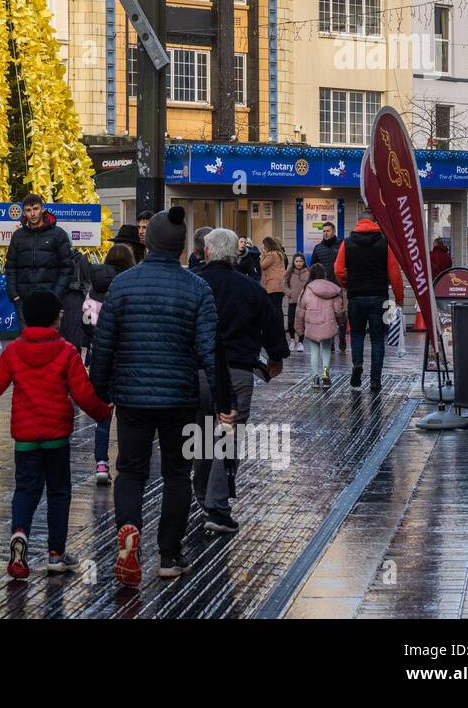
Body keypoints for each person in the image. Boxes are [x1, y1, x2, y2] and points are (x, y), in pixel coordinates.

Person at [89, 207, 221, 585]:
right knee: (177, 474)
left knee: (130, 470)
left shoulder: (123, 285)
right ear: (182, 247)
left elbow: (104, 344)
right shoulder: (198, 288)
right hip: (180, 398)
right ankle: (168, 554)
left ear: (147, 242)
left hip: (131, 396)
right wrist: (224, 402)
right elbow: (210, 351)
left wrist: (99, 391)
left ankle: (129, 530)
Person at [0, 290, 111, 579]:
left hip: (25, 439)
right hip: (56, 438)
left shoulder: (15, 350)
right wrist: (104, 413)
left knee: (25, 490)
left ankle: (19, 534)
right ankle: (56, 553)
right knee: (58, 492)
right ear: (55, 320)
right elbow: (83, 394)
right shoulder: (66, 351)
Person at [193, 228, 287, 534]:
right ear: (237, 254)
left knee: (200, 434)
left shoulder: (193, 283)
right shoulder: (248, 287)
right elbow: (272, 323)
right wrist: (276, 357)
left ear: (206, 252)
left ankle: (202, 495)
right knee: (227, 437)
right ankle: (217, 507)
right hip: (236, 373)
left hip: (196, 372)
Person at [334, 210, 404, 393]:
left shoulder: (347, 243)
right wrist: (399, 298)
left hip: (356, 297)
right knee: (377, 339)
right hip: (379, 297)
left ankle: (357, 364)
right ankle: (375, 380)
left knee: (357, 334)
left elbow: (338, 269)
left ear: (358, 223)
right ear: (375, 223)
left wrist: (347, 283)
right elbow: (394, 273)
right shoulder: (384, 243)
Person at [87, 245, 135, 485]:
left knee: (103, 413)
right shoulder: (130, 285)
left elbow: (86, 320)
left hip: (101, 355)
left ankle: (101, 463)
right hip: (127, 357)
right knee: (127, 415)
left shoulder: (95, 289)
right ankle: (125, 461)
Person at [4, 193, 74, 324]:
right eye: (28, 210)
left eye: (35, 209)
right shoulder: (18, 236)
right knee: (27, 341)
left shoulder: (58, 234)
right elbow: (10, 267)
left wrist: (56, 295)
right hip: (24, 300)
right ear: (24, 213)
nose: (32, 214)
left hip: (50, 299)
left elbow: (67, 268)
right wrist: (14, 295)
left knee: (49, 340)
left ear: (42, 209)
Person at [295, 262, 342, 389]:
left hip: (312, 326)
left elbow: (300, 312)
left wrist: (299, 330)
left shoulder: (306, 289)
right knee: (326, 349)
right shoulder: (332, 289)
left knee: (314, 352)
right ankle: (326, 373)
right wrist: (339, 321)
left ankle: (315, 378)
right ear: (324, 274)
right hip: (328, 325)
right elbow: (338, 310)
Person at [58, 249, 94, 351]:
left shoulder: (59, 259)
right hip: (75, 299)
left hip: (70, 299)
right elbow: (88, 282)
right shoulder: (81, 259)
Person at [284, 253, 310, 351]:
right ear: (294, 262)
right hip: (292, 301)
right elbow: (284, 285)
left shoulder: (308, 272)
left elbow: (310, 285)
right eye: (296, 261)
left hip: (303, 302)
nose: (298, 263)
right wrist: (289, 293)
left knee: (301, 323)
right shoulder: (289, 273)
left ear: (303, 262)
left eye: (300, 261)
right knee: (291, 322)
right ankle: (291, 339)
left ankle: (300, 342)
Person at [259, 236, 286, 309]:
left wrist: (262, 256)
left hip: (272, 285)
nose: (262, 246)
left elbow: (262, 265)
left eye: (263, 244)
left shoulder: (271, 254)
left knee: (273, 308)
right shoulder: (279, 253)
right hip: (279, 284)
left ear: (267, 245)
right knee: (278, 307)